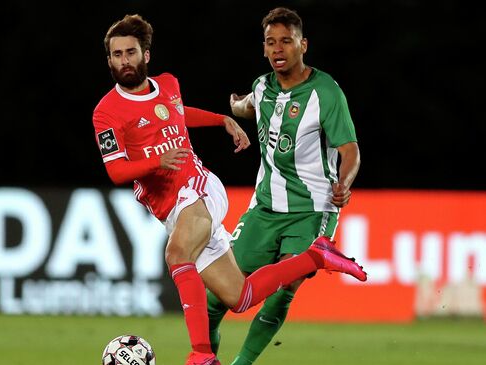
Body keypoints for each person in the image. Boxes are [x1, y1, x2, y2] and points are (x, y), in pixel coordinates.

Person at [92, 14, 366, 365]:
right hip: (173, 209)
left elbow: (175, 112)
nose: (124, 61)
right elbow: (116, 171)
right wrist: (161, 160)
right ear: (110, 61)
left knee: (177, 256)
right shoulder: (106, 112)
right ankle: (319, 255)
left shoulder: (168, 83)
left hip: (198, 188)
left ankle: (202, 355)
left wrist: (220, 120)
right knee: (240, 296)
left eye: (130, 52)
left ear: (146, 55)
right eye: (117, 55)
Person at [206, 7, 363, 365]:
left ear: (302, 45)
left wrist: (345, 181)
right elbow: (249, 104)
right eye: (271, 42)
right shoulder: (262, 87)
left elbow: (349, 149)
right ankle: (203, 357)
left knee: (284, 288)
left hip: (313, 210)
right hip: (264, 208)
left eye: (286, 42)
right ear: (264, 48)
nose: (278, 49)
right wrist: (235, 105)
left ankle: (241, 363)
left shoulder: (325, 91)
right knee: (217, 295)